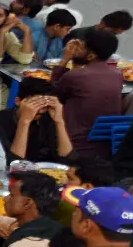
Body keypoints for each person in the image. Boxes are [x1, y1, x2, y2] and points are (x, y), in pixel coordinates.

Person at [53, 29, 126, 160]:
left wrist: (66, 58)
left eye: (82, 46)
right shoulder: (117, 74)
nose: (79, 48)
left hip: (75, 141)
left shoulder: (75, 76)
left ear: (91, 56)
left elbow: (53, 92)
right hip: (105, 140)